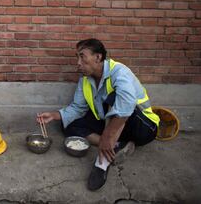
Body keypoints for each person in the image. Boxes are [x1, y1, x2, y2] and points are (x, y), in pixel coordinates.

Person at [37, 38, 159, 191]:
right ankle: (116, 146)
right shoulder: (85, 80)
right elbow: (77, 108)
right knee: (68, 123)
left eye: (82, 56)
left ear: (98, 57)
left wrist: (107, 135)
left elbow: (126, 106)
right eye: (77, 57)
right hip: (113, 124)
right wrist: (55, 115)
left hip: (142, 126)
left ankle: (102, 161)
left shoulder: (119, 72)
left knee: (115, 98)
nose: (78, 62)